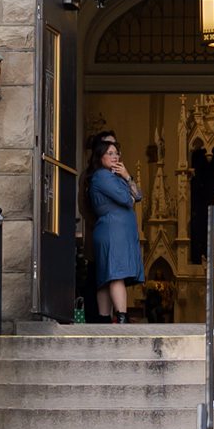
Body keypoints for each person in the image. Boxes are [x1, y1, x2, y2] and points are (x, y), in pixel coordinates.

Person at [86, 132, 144, 322]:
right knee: (116, 274)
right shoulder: (102, 176)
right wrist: (128, 188)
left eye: (117, 153)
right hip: (113, 231)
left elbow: (138, 196)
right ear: (100, 156)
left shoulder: (114, 176)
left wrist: (127, 176)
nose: (115, 156)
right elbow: (126, 199)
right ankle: (121, 318)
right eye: (110, 153)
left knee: (107, 278)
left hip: (116, 230)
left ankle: (104, 321)